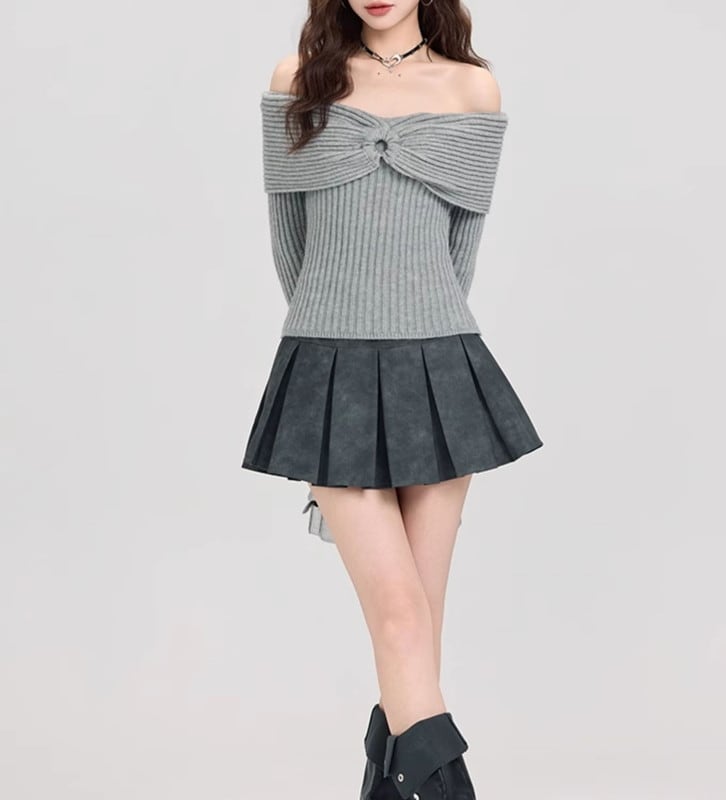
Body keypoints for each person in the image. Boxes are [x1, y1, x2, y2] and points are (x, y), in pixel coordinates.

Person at [241, 1, 544, 797]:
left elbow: (459, 253)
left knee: (418, 631)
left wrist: (412, 339)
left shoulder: (472, 89)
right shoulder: (298, 79)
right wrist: (336, 353)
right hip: (330, 367)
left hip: (439, 368)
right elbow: (290, 246)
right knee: (402, 620)